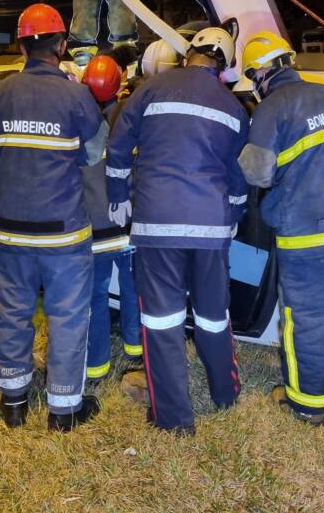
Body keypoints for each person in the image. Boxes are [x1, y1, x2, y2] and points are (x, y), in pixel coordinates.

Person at [0, 3, 107, 431]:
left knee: (12, 311)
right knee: (69, 315)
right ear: (60, 45)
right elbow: (95, 152)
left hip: (13, 229)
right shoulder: (77, 95)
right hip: (65, 232)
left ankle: (14, 400)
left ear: (22, 45)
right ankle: (63, 409)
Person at [105, 27, 248, 435]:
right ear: (224, 64)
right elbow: (238, 177)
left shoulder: (151, 89)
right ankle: (225, 394)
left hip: (158, 225)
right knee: (214, 317)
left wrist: (118, 194)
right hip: (212, 227)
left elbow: (117, 149)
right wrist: (234, 215)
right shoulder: (234, 108)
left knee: (163, 322)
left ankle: (174, 419)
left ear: (190, 53)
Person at [236, 30, 324, 425]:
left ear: (260, 74)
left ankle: (307, 403)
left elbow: (258, 173)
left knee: (304, 318)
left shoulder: (272, 107)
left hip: (307, 229)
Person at [81, 55, 142, 383]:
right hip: (128, 224)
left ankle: (96, 365)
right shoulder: (130, 115)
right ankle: (135, 348)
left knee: (96, 295)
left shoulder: (77, 116)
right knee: (134, 288)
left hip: (93, 229)